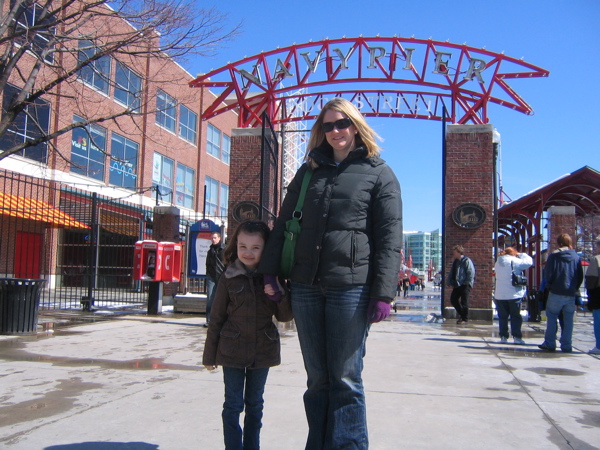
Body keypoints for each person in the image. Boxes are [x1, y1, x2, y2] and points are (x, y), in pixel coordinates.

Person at [259, 98, 402, 449]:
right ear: (320, 132)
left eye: (342, 124)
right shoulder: (308, 172)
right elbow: (282, 225)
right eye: (328, 126)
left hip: (350, 288)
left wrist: (383, 293)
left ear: (355, 126)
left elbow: (389, 237)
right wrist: (269, 272)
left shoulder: (378, 172)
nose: (335, 131)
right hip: (306, 286)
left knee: (345, 378)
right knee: (317, 379)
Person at [202, 220, 293, 450]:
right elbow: (216, 319)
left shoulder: (273, 277)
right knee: (232, 405)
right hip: (231, 351)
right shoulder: (229, 277)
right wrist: (209, 355)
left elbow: (284, 317)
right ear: (235, 246)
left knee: (255, 406)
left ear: (266, 249)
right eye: (243, 246)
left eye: (255, 248)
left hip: (262, 351)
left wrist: (278, 295)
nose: (248, 253)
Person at [538, 233, 583, 353]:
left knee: (552, 317)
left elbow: (548, 274)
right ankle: (567, 345)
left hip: (555, 291)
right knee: (568, 320)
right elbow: (580, 276)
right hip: (570, 293)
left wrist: (550, 286)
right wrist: (574, 288)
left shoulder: (553, 256)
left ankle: (550, 343)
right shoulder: (576, 257)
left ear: (558, 242)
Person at [493, 247, 533, 344]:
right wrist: (521, 254)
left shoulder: (498, 263)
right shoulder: (514, 261)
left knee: (503, 317)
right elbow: (529, 262)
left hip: (500, 294)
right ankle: (517, 337)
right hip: (513, 294)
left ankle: (503, 337)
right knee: (515, 316)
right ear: (513, 253)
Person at [446, 245, 476, 324]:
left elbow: (471, 272)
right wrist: (450, 282)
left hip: (465, 284)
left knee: (464, 302)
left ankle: (464, 318)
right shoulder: (456, 261)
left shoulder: (466, 260)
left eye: (455, 252)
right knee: (453, 299)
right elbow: (453, 272)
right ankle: (462, 315)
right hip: (457, 284)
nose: (454, 254)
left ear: (459, 252)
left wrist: (467, 283)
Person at [205, 231, 225, 327]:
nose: (213, 239)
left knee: (221, 299)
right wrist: (208, 273)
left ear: (219, 238)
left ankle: (221, 320)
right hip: (211, 277)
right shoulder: (210, 251)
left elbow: (227, 263)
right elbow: (208, 263)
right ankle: (209, 321)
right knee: (210, 298)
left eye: (215, 238)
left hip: (221, 276)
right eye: (212, 238)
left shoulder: (224, 249)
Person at [585, 240, 600, 355]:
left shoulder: (596, 260)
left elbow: (591, 280)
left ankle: (599, 346)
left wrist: (589, 292)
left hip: (598, 295)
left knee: (598, 322)